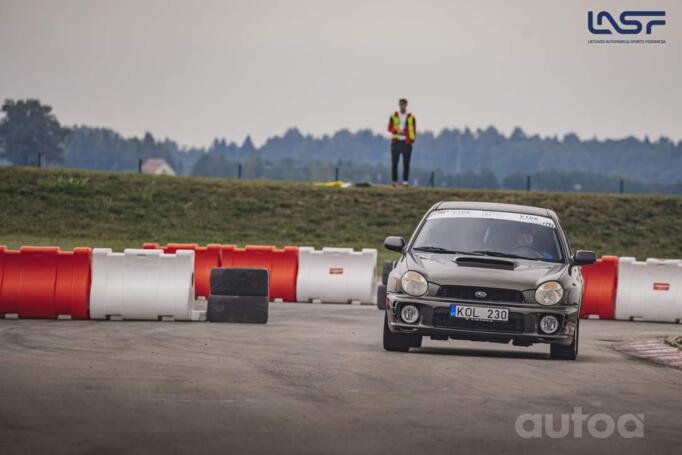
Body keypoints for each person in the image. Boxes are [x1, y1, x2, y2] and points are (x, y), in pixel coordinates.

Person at [387, 98, 416, 187]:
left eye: (403, 104)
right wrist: (397, 131)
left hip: (406, 142)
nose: (402, 106)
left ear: (406, 105)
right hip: (396, 142)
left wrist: (408, 135)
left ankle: (405, 182)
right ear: (399, 105)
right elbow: (389, 128)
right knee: (394, 163)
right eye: (400, 104)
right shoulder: (394, 116)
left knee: (406, 163)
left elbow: (414, 129)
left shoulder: (411, 117)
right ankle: (394, 182)